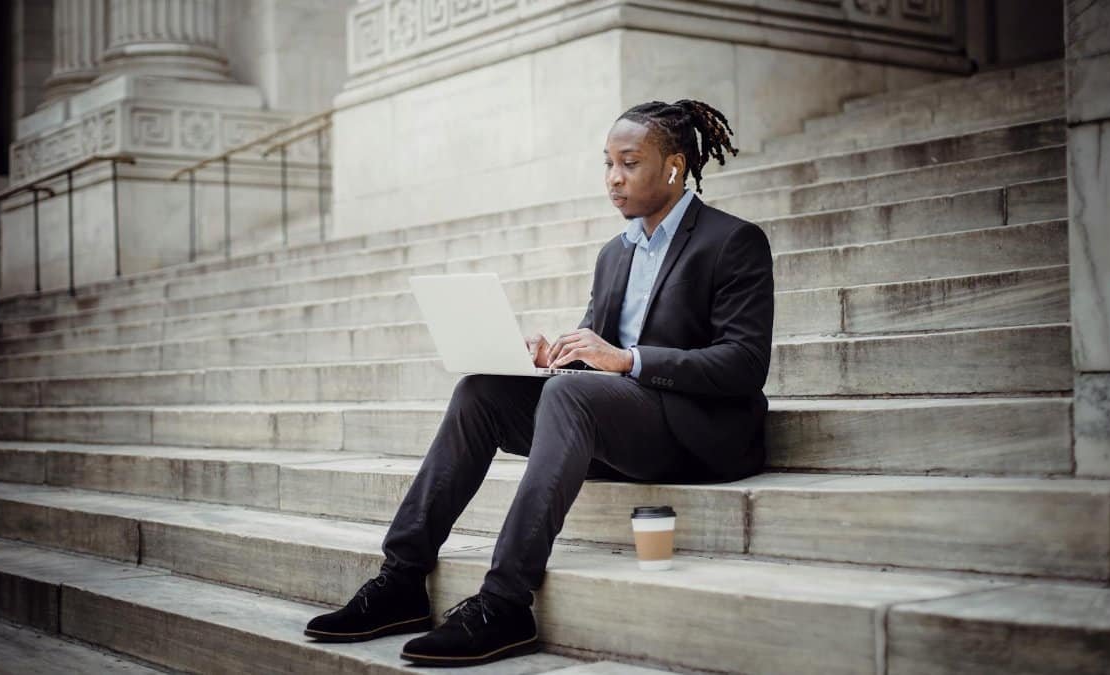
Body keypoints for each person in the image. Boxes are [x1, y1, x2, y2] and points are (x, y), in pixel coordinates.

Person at [304, 99, 775, 667]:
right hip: (619, 420)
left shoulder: (732, 241)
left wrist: (628, 360)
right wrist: (556, 356)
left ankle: (505, 603)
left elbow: (744, 363)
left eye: (629, 163)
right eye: (607, 164)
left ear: (674, 167)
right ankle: (401, 580)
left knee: (569, 394)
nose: (613, 178)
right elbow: (597, 351)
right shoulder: (615, 254)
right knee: (482, 391)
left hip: (693, 433)